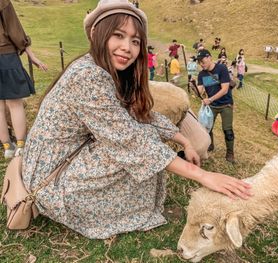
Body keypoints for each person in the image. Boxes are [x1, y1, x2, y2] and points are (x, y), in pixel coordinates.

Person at [21, 0, 252, 239]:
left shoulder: (106, 71)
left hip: (62, 160)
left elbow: (141, 116)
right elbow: (129, 139)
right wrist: (204, 176)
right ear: (95, 34)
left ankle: (128, 203)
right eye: (118, 35)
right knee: (141, 142)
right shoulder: (87, 75)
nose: (127, 48)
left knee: (144, 135)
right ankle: (111, 209)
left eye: (135, 41)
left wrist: (185, 141)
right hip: (52, 178)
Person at [0, 0, 47, 159]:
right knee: (14, 103)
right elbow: (15, 30)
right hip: (6, 56)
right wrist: (31, 55)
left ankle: (7, 147)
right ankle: (21, 146)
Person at [196, 49, 235, 163]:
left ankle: (230, 153)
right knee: (207, 128)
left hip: (225, 104)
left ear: (209, 57)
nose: (201, 64)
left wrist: (211, 99)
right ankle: (210, 145)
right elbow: (200, 90)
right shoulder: (201, 74)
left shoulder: (221, 69)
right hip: (211, 106)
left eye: (202, 61)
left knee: (227, 130)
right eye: (199, 62)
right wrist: (194, 87)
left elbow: (225, 89)